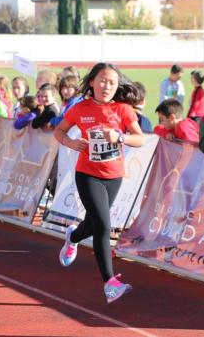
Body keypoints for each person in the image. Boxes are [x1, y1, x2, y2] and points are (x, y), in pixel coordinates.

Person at [53, 62, 145, 303]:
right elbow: (58, 131)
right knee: (104, 226)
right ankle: (110, 283)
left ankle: (72, 237)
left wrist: (120, 136)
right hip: (88, 174)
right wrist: (72, 143)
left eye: (112, 83)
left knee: (93, 224)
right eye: (102, 80)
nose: (107, 86)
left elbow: (140, 139)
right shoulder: (79, 109)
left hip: (113, 175)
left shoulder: (123, 110)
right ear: (92, 82)